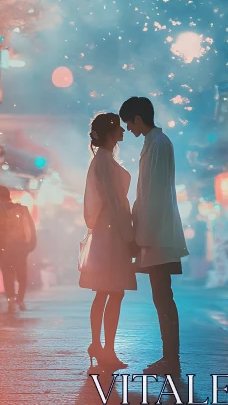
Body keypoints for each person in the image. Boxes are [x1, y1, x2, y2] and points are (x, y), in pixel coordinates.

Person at [119, 96, 188, 375]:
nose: (128, 129)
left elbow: (155, 195)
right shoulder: (154, 142)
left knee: (163, 297)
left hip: (157, 234)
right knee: (162, 297)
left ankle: (170, 359)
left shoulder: (158, 143)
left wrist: (141, 236)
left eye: (129, 122)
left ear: (138, 118)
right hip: (154, 232)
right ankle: (169, 357)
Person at [79, 113, 136, 370]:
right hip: (112, 231)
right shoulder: (104, 162)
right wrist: (128, 235)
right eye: (119, 130)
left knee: (106, 291)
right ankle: (106, 348)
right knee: (113, 291)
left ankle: (98, 345)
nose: (123, 133)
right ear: (111, 134)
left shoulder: (101, 160)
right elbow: (114, 202)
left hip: (106, 230)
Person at [0, 186, 37, 313]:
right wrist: (30, 246)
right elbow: (30, 229)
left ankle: (11, 300)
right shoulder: (22, 209)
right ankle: (20, 299)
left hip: (4, 248)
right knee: (22, 275)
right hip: (21, 247)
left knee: (8, 274)